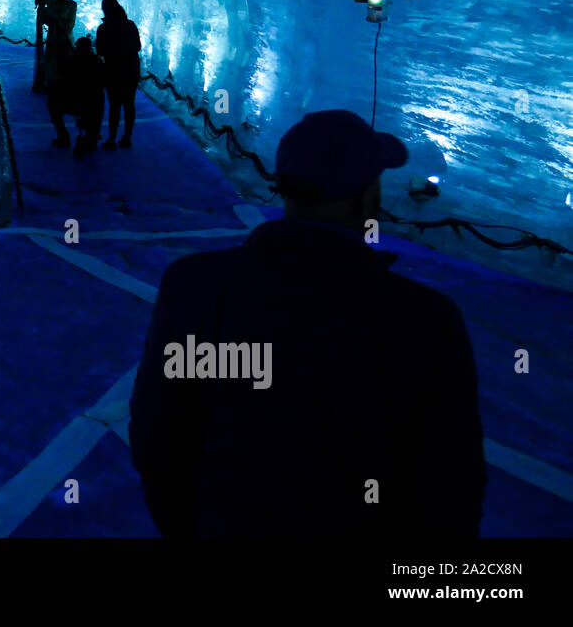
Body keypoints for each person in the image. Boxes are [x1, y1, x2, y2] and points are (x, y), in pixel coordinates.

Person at [128, 110, 485, 537]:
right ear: (365, 196)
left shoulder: (193, 286)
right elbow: (450, 487)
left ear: (284, 183)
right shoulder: (427, 320)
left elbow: (159, 436)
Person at [95, 0, 141, 149]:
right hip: (131, 69)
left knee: (114, 106)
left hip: (113, 70)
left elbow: (100, 50)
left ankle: (112, 139)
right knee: (129, 104)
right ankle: (127, 137)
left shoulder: (104, 28)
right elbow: (137, 46)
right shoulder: (130, 25)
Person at [41, 0, 77, 94]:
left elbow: (71, 22)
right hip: (53, 35)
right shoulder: (51, 2)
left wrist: (64, 30)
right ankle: (50, 82)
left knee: (64, 60)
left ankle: (64, 83)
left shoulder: (71, 4)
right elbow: (46, 19)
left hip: (64, 37)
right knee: (51, 59)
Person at [33, 0, 51, 93]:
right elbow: (47, 23)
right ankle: (42, 83)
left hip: (40, 38)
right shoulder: (43, 10)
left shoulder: (40, 9)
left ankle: (40, 82)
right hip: (43, 38)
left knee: (41, 59)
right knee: (43, 60)